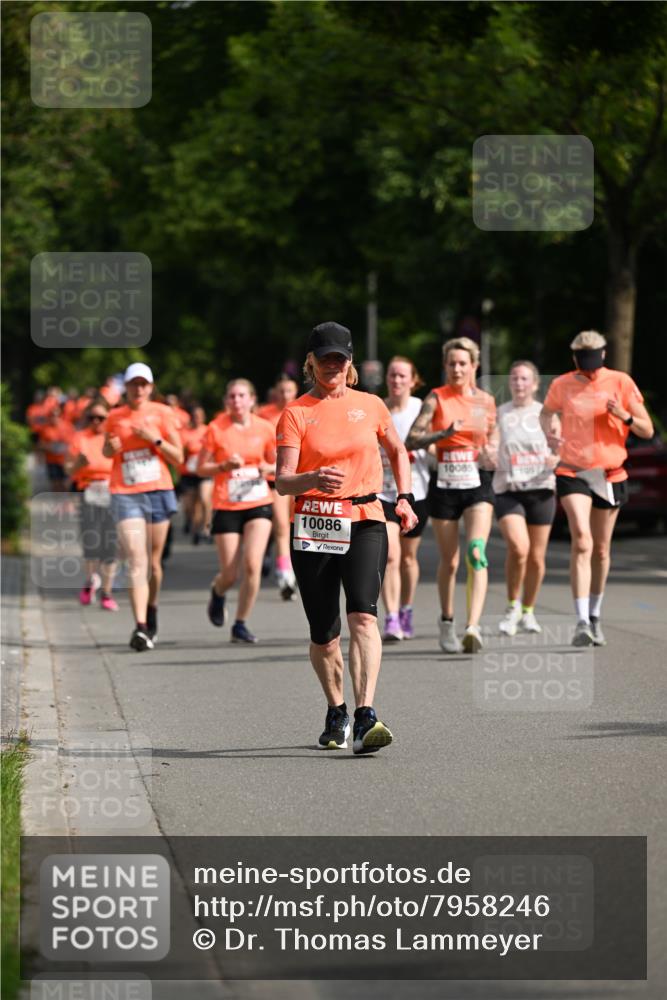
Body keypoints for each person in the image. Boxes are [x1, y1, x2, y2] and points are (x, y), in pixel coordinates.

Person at [275, 322, 418, 754]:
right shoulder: (296, 412)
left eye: (340, 358)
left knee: (364, 617)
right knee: (325, 634)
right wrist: (313, 477)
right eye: (325, 359)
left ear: (350, 361)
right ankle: (336, 709)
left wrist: (406, 497)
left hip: (365, 516)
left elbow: (397, 451)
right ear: (311, 362)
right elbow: (283, 482)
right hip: (315, 522)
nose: (332, 366)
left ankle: (365, 714)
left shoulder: (371, 405)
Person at [540, 330, 653, 647]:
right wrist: (550, 432)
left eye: (593, 357)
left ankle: (594, 615)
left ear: (603, 354)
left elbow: (647, 429)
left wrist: (624, 415)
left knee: (601, 550)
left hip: (610, 474)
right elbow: (546, 413)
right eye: (581, 358)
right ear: (575, 357)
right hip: (572, 470)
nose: (587, 364)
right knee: (583, 540)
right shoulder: (562, 384)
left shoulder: (620, 381)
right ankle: (580, 622)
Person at [405, 337, 496, 654]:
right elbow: (412, 438)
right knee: (451, 561)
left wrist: (491, 451)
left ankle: (473, 626)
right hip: (444, 483)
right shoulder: (436, 398)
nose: (457, 369)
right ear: (445, 366)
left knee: (475, 551)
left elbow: (493, 439)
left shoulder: (485, 401)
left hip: (477, 482)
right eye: (452, 363)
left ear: (474, 366)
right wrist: (444, 434)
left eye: (463, 363)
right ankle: (447, 621)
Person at [103, 363, 183, 651]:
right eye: (133, 384)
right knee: (136, 559)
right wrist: (110, 449)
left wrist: (154, 439)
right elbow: (106, 450)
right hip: (125, 492)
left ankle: (152, 609)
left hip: (158, 491)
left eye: (143, 384)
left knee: (153, 563)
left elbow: (178, 457)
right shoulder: (114, 417)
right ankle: (139, 627)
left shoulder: (163, 413)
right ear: (126, 387)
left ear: (150, 387)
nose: (138, 389)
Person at [197, 379, 276, 643]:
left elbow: (281, 465)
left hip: (258, 501)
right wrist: (222, 467)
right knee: (230, 574)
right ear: (225, 401)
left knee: (253, 565)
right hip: (226, 504)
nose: (237, 401)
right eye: (231, 396)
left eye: (242, 396)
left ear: (252, 399)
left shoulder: (265, 428)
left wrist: (267, 468)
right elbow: (200, 468)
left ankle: (240, 623)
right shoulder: (216, 429)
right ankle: (218, 592)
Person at [493, 361, 558, 635]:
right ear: (510, 383)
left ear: (534, 384)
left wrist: (551, 459)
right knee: (519, 549)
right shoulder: (500, 414)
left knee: (536, 557)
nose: (519, 384)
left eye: (524, 379)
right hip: (508, 490)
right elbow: (492, 447)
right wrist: (490, 455)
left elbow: (560, 451)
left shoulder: (547, 415)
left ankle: (529, 611)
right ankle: (512, 607)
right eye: (515, 379)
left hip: (541, 489)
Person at [378, 356, 432, 641]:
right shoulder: (377, 408)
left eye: (402, 376)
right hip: (383, 491)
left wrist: (424, 451)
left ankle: (406, 609)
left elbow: (437, 447)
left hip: (416, 492)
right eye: (392, 375)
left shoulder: (421, 409)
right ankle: (391, 618)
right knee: (390, 556)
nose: (396, 380)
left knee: (409, 558)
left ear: (413, 380)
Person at [67, 398, 119, 611]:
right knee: (91, 541)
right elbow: (68, 469)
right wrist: (79, 463)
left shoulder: (113, 438)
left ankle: (106, 592)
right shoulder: (80, 438)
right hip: (88, 490)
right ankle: (90, 581)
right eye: (92, 417)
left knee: (110, 545)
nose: (96, 421)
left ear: (109, 418)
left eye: (101, 417)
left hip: (112, 491)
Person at [257, 375, 300, 599]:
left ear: (295, 392)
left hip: (299, 477)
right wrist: (265, 464)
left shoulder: (303, 409)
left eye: (289, 391)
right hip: (273, 479)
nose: (285, 395)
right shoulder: (264, 415)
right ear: (276, 393)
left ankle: (292, 567)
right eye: (281, 391)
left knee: (296, 527)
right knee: (282, 526)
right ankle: (286, 576)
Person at [180, 406, 213, 544]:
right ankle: (194, 527)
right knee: (191, 506)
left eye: (200, 415)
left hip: (204, 472)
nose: (197, 418)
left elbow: (214, 450)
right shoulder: (185, 433)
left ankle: (206, 530)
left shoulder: (208, 430)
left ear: (203, 417)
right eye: (195, 415)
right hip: (189, 474)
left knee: (205, 500)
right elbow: (180, 453)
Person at [37, 404, 75, 492]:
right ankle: (57, 503)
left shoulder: (68, 426)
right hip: (51, 460)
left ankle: (66, 503)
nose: (54, 417)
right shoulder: (45, 428)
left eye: (57, 415)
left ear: (61, 415)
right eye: (52, 415)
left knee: (66, 484)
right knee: (55, 484)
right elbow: (41, 444)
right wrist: (49, 447)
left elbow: (74, 442)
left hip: (65, 460)